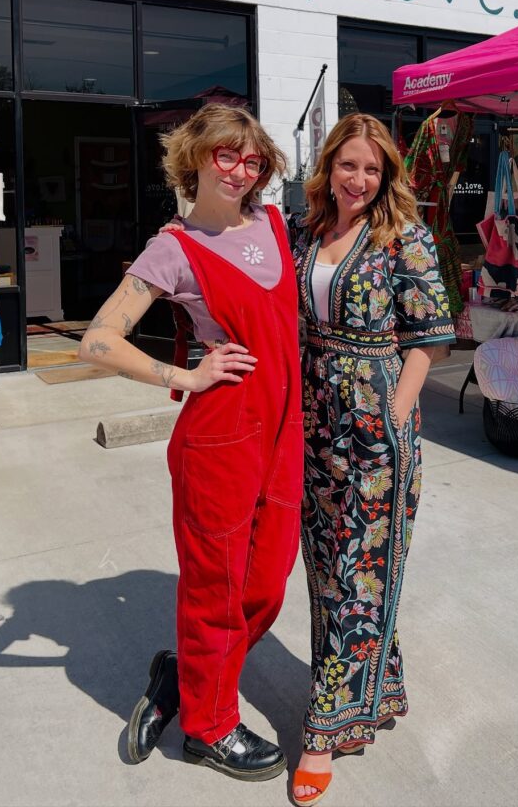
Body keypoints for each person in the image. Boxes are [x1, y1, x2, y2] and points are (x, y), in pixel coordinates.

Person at [79, 105, 304, 783]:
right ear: (196, 159)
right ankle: (209, 727)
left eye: (253, 160)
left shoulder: (273, 223)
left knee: (267, 582)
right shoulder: (172, 249)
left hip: (284, 428)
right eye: (226, 156)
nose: (241, 171)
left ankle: (185, 674)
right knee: (215, 588)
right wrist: (183, 376)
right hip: (221, 435)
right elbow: (97, 340)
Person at [290, 113, 454, 806]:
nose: (358, 179)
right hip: (313, 423)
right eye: (347, 165)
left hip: (376, 424)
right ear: (328, 166)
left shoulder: (403, 236)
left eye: (371, 169)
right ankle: (371, 692)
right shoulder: (303, 233)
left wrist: (395, 413)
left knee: (363, 572)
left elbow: (430, 336)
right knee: (328, 570)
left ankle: (323, 731)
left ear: (386, 176)